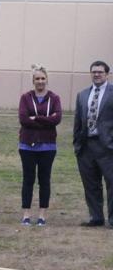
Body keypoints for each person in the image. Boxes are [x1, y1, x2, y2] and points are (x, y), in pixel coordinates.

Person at [17, 65, 62, 226]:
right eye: (37, 79)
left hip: (48, 146)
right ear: (33, 81)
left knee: (45, 180)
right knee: (28, 179)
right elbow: (23, 119)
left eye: (43, 78)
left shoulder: (54, 98)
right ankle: (26, 214)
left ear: (47, 80)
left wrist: (36, 118)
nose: (40, 81)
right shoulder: (25, 97)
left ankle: (42, 214)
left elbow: (57, 119)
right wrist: (46, 120)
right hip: (27, 146)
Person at [72, 60, 113, 228]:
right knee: (91, 184)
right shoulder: (82, 95)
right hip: (86, 147)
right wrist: (77, 144)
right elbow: (77, 121)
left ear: (107, 74)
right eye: (94, 72)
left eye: (100, 72)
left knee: (112, 184)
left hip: (108, 147)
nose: (96, 74)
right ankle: (96, 217)